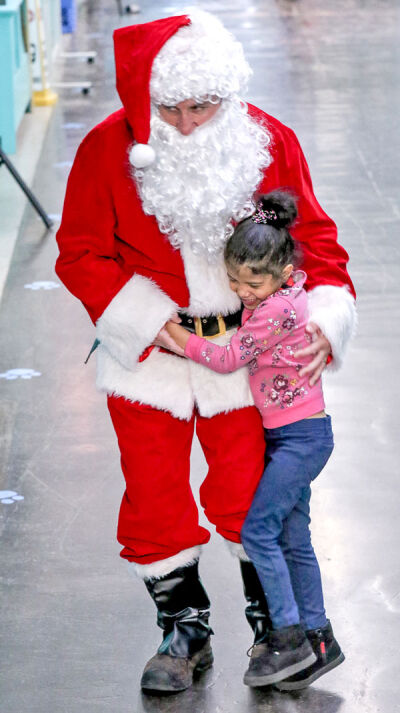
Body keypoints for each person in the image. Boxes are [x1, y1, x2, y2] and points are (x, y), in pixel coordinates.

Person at [55, 9, 356, 693]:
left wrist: (323, 320)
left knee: (248, 489)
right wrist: (148, 319)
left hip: (247, 360)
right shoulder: (108, 149)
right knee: (154, 495)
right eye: (171, 108)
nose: (188, 123)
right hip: (149, 357)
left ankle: (273, 628)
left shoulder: (268, 139)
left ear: (228, 96)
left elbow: (318, 240)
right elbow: (80, 250)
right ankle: (183, 629)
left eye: (203, 106)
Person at [166, 190, 345, 689]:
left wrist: (172, 334)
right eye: (233, 280)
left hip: (299, 439)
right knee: (293, 537)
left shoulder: (273, 312)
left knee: (259, 532)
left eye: (254, 280)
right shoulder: (290, 294)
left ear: (286, 272)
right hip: (297, 434)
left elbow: (226, 359)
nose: (243, 291)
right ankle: (320, 641)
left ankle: (287, 638)